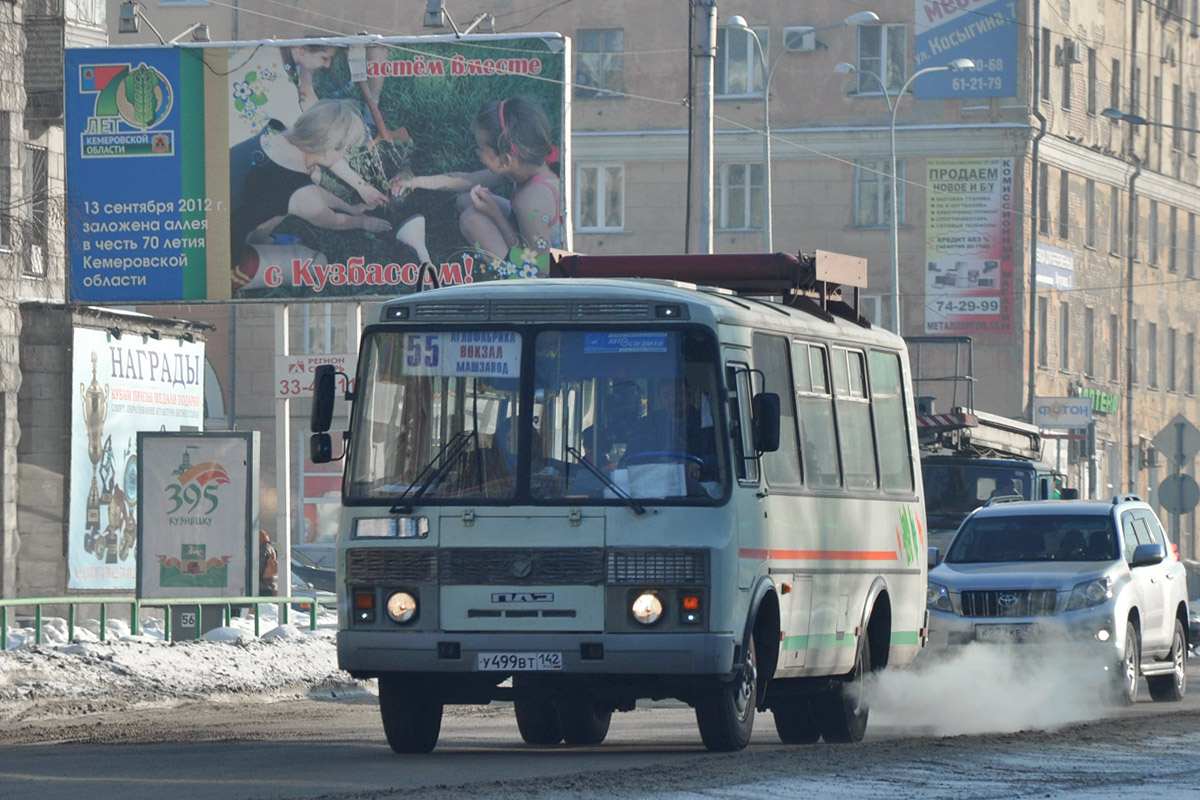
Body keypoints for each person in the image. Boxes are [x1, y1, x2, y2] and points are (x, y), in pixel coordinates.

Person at [230, 99, 392, 283]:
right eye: (346, 148)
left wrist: (349, 207)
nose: (345, 153)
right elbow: (335, 221)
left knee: (312, 175)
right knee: (316, 263)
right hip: (215, 262)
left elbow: (300, 189)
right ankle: (249, 252)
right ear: (327, 151)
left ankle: (257, 239)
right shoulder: (302, 195)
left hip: (206, 222)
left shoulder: (277, 128)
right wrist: (363, 221)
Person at [390, 96, 562, 261]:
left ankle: (511, 276)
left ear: (506, 159)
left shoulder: (530, 201)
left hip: (547, 269)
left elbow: (542, 265)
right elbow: (465, 180)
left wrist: (495, 215)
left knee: (470, 220)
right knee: (466, 200)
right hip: (532, 237)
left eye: (481, 148)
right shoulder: (522, 166)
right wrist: (415, 182)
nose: (477, 153)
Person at [230, 43, 388, 210]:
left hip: (230, 132)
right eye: (324, 58)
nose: (327, 65)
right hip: (239, 162)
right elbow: (320, 144)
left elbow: (305, 85)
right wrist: (362, 186)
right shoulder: (282, 92)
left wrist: (306, 84)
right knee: (312, 173)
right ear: (303, 49)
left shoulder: (273, 50)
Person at [258, 530, 279, 597]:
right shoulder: (271, 548)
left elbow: (260, 566)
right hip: (272, 584)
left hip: (264, 586)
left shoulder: (263, 548)